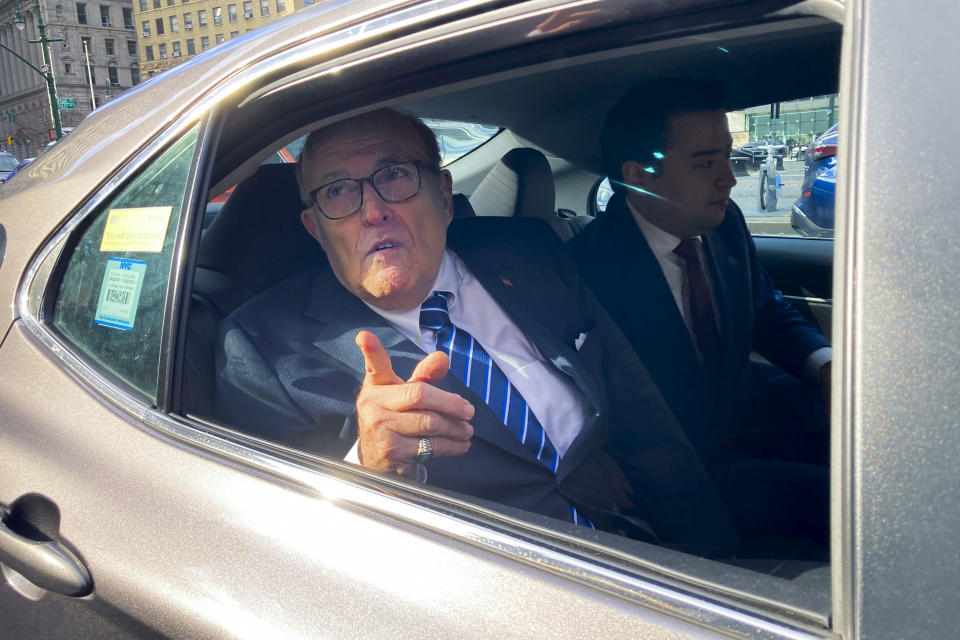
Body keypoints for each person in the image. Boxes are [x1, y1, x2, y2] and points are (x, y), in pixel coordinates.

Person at [215, 108, 740, 557]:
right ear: (316, 229)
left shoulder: (529, 252)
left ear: (445, 196)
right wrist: (367, 469)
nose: (372, 211)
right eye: (337, 192)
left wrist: (718, 558)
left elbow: (640, 416)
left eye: (394, 175)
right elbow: (285, 549)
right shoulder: (261, 352)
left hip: (644, 548)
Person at [571, 79, 830, 543]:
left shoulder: (724, 225)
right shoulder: (584, 271)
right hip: (683, 465)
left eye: (728, 156)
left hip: (756, 414)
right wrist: (589, 453)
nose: (729, 178)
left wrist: (825, 366)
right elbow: (573, 382)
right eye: (706, 162)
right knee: (855, 503)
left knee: (884, 446)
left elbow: (765, 311)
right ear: (640, 174)